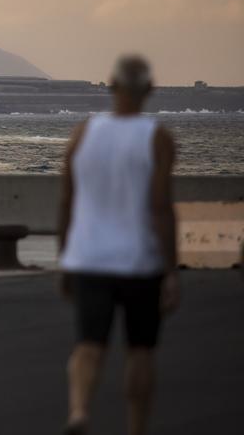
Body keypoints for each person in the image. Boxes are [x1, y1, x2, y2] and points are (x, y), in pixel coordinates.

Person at [58, 54, 180, 435]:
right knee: (140, 350)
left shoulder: (83, 134)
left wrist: (64, 255)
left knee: (88, 345)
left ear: (111, 86)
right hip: (139, 260)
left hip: (89, 257)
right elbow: (161, 208)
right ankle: (136, 428)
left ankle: (79, 410)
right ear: (149, 90)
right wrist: (172, 269)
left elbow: (67, 200)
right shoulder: (157, 137)